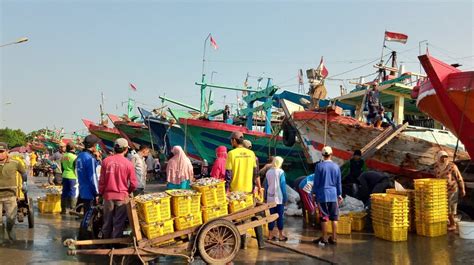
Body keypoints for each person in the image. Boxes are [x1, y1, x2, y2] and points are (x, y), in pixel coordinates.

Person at [225, 131, 264, 249]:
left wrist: (226, 189)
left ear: (234, 141)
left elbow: (228, 174)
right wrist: (256, 187)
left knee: (238, 218)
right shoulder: (251, 154)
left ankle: (242, 245)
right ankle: (260, 244)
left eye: (231, 140)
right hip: (248, 191)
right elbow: (255, 173)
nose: (231, 142)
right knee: (253, 215)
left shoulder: (231, 154)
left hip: (235, 192)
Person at [99, 138, 137, 239]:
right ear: (125, 149)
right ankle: (115, 244)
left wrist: (101, 193)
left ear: (114, 148)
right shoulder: (128, 163)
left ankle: (105, 242)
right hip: (122, 196)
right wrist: (127, 192)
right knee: (118, 222)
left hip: (108, 196)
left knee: (107, 221)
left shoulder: (106, 161)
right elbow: (133, 184)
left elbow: (101, 181)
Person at [312, 146, 342, 246]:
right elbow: (338, 182)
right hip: (333, 194)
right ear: (331, 154)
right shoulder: (336, 166)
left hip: (322, 194)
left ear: (322, 155)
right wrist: (339, 194)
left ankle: (324, 238)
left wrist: (314, 193)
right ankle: (334, 238)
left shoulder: (319, 166)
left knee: (324, 217)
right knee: (334, 217)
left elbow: (316, 182)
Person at [0, 142, 27, 240]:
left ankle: (9, 229)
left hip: (10, 196)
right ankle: (1, 236)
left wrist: (25, 183)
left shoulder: (15, 163)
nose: (0, 154)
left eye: (2, 151)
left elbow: (23, 174)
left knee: (11, 219)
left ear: (7, 152)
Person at [434, 151, 466, 231]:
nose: (444, 159)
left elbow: (459, 178)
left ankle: (453, 224)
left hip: (452, 189)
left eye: (445, 157)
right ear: (438, 158)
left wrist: (462, 189)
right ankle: (451, 222)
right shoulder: (436, 166)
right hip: (441, 190)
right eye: (442, 157)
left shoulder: (452, 166)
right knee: (445, 208)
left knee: (450, 207)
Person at [76, 135, 101, 214]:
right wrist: (97, 193)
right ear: (94, 146)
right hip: (90, 191)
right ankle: (84, 226)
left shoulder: (80, 156)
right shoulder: (90, 159)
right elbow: (93, 177)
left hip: (82, 188)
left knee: (86, 213)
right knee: (89, 215)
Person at [265, 156, 288, 241]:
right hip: (279, 198)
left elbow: (266, 186)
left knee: (271, 217)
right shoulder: (281, 172)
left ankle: (270, 235)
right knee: (280, 217)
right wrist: (285, 198)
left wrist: (265, 197)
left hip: (270, 198)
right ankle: (281, 235)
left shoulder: (268, 172)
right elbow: (283, 186)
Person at [61, 143, 78, 214]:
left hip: (65, 175)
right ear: (73, 148)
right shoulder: (74, 157)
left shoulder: (63, 156)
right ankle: (72, 209)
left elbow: (62, 167)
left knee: (64, 192)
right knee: (73, 192)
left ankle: (63, 209)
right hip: (72, 177)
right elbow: (76, 168)